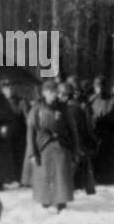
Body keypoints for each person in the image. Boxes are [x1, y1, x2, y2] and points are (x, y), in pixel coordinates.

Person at [27, 79, 78, 213]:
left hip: (61, 146)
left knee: (61, 175)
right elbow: (31, 131)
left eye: (56, 91)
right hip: (43, 147)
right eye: (51, 91)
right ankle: (45, 201)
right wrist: (32, 153)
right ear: (44, 93)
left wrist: (75, 149)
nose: (54, 94)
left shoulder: (63, 108)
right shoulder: (37, 108)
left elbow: (73, 129)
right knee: (44, 176)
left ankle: (61, 201)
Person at [60, 81, 97, 196]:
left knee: (72, 167)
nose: (59, 97)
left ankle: (65, 191)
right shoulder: (76, 106)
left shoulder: (71, 108)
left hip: (76, 141)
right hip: (81, 141)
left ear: (66, 95)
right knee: (84, 166)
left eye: (61, 94)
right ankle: (88, 190)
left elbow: (72, 128)